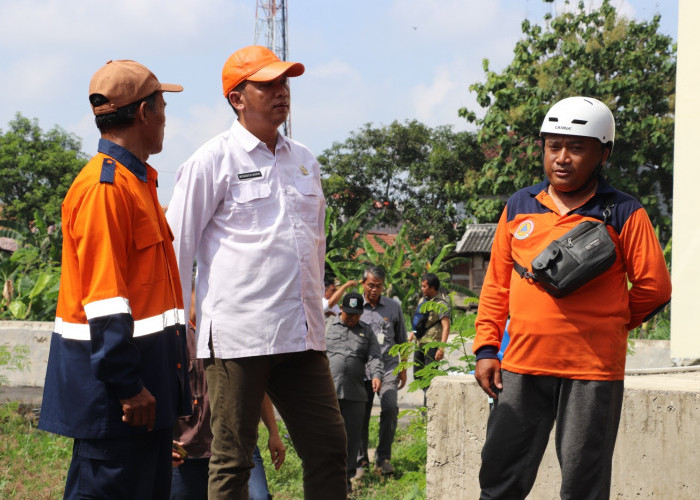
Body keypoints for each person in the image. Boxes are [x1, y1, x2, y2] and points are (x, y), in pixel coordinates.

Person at [166, 45, 347, 499]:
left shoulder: (304, 159)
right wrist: (175, 334)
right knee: (232, 459)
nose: (280, 92)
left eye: (284, 83)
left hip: (302, 335)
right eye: (266, 84)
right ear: (236, 98)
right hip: (238, 337)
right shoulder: (212, 161)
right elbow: (175, 249)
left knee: (329, 448)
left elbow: (312, 245)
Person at [472, 96, 672, 499]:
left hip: (592, 371)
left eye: (576, 148)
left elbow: (654, 287)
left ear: (604, 153)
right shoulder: (519, 207)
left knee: (584, 483)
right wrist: (487, 348)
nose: (561, 158)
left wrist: (609, 321)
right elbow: (496, 284)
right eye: (553, 146)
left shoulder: (623, 212)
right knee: (500, 477)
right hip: (521, 366)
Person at [38, 60, 190, 499]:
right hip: (120, 400)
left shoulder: (136, 183)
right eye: (162, 107)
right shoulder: (106, 189)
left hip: (143, 394)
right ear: (144, 113)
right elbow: (105, 303)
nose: (165, 119)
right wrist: (129, 388)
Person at [171, 280, 285, 500]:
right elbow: (159, 392)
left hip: (236, 444)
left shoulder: (236, 333)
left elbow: (257, 388)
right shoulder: (175, 338)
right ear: (194, 289)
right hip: (188, 450)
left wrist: (274, 433)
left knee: (259, 497)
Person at [325, 292, 384, 491]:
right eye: (348, 313)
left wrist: (376, 375)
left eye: (356, 314)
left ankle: (346, 480)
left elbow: (375, 356)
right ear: (340, 309)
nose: (352, 318)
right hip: (328, 393)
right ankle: (326, 478)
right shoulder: (327, 326)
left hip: (355, 394)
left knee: (351, 439)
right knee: (328, 437)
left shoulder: (366, 332)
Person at [356, 265, 408, 476]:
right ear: (363, 284)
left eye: (378, 286)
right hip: (362, 370)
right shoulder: (355, 306)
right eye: (370, 285)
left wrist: (403, 368)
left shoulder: (393, 307)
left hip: (388, 368)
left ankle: (383, 458)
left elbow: (402, 339)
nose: (374, 290)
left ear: (384, 286)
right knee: (360, 415)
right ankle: (360, 461)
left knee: (389, 407)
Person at [409, 273, 451, 406]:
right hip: (420, 342)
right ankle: (429, 397)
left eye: (424, 286)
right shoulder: (422, 301)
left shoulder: (441, 304)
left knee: (430, 377)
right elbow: (419, 320)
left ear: (432, 287)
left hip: (432, 344)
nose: (422, 289)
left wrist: (441, 347)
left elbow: (446, 326)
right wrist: (413, 333)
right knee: (417, 375)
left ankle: (429, 407)